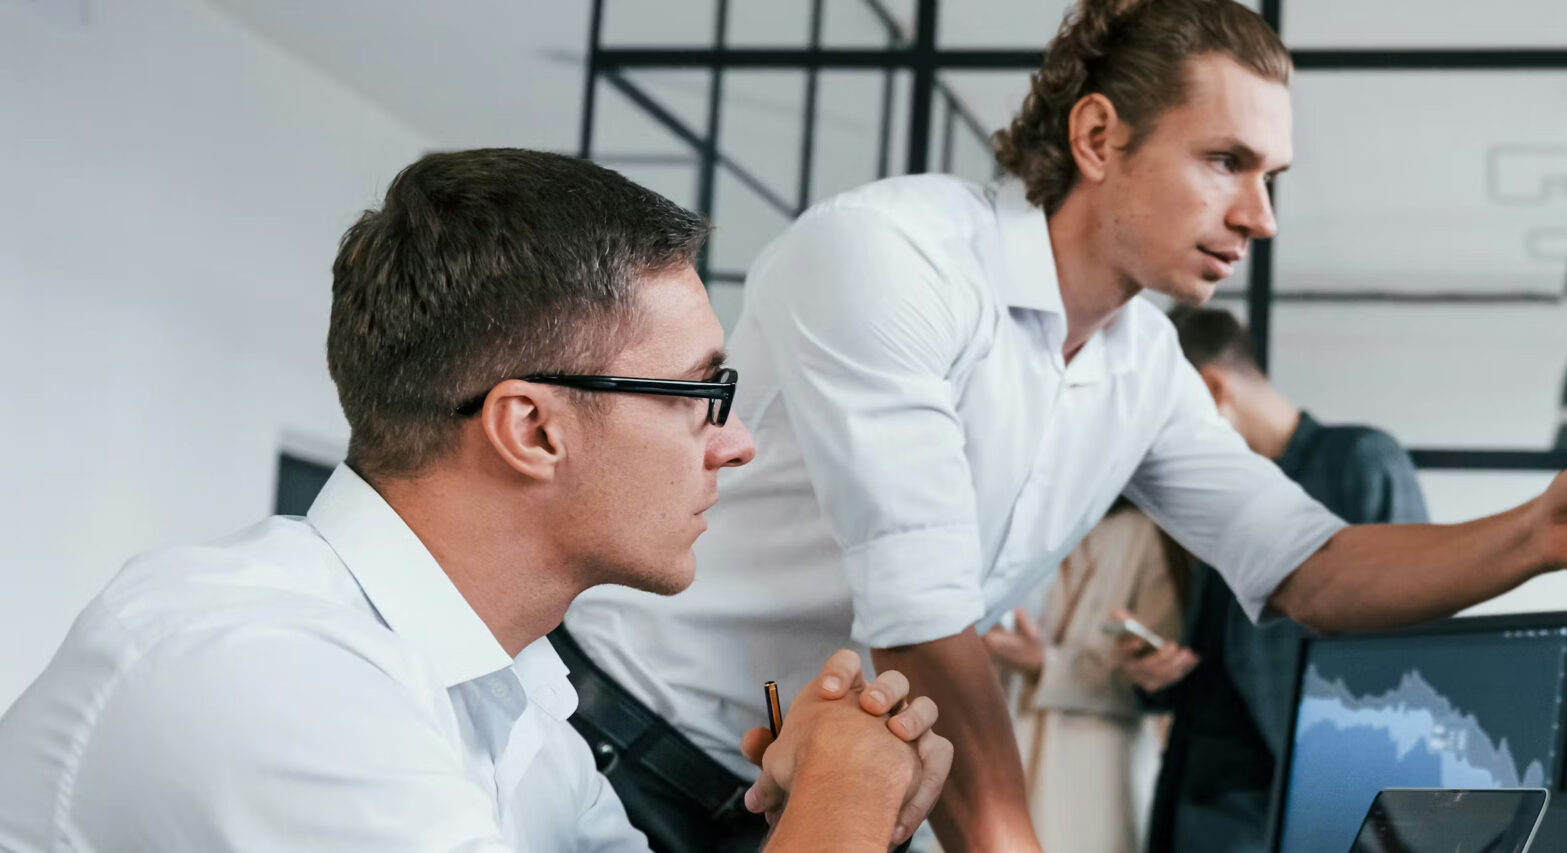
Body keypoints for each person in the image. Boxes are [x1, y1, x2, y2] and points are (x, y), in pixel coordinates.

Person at [561, 0, 1567, 848]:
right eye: (1226, 163)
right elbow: (921, 615)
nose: (1260, 215)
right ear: (1099, 137)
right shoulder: (890, 254)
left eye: (1271, 175)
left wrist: (1537, 532)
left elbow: (1313, 567)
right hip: (625, 750)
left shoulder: (1143, 362)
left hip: (805, 793)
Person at [0, 150, 951, 852]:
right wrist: (848, 788)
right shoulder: (265, 675)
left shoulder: (517, 701)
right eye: (701, 397)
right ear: (532, 428)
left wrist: (809, 811)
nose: (736, 443)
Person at [1132, 306, 1426, 853]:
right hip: (1200, 803)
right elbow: (1226, 651)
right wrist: (1159, 676)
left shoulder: (1358, 459)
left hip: (1294, 797)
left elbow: (1406, 645)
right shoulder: (1220, 496)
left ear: (1210, 389)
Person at [980, 499, 1191, 851]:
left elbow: (1154, 683)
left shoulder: (1149, 535)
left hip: (1092, 771)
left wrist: (1045, 664)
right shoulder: (1019, 517)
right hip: (1002, 745)